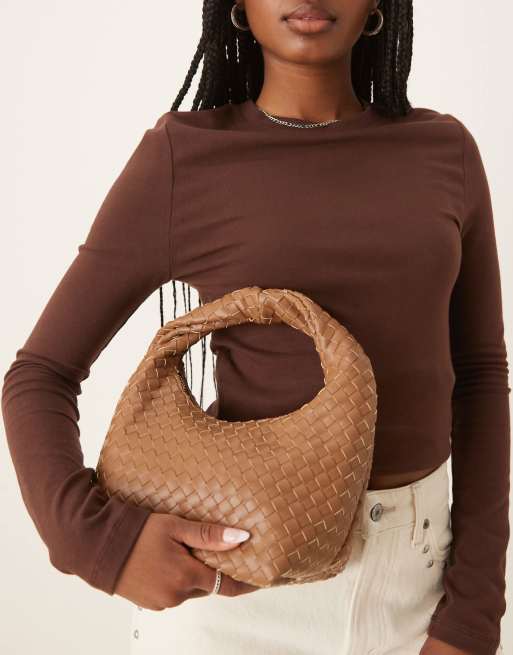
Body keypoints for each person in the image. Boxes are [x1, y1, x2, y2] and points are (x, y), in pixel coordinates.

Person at [2, 1, 509, 654]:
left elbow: (479, 378)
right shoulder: (185, 156)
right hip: (232, 587)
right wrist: (97, 543)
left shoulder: (444, 151)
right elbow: (41, 373)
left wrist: (472, 613)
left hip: (417, 585)